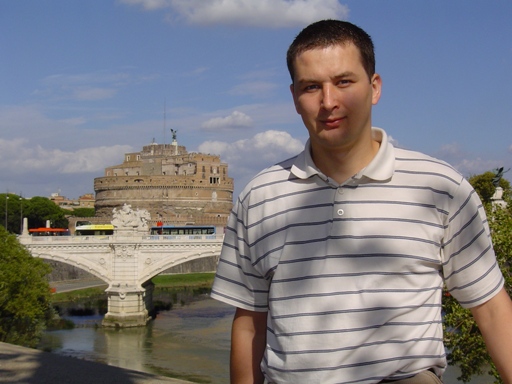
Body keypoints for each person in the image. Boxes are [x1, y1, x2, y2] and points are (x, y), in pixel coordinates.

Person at [210, 20, 512, 384]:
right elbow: (250, 325)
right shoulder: (258, 197)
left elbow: (492, 310)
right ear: (294, 98)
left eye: (343, 82)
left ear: (374, 88)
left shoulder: (442, 188)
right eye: (311, 87)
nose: (328, 102)